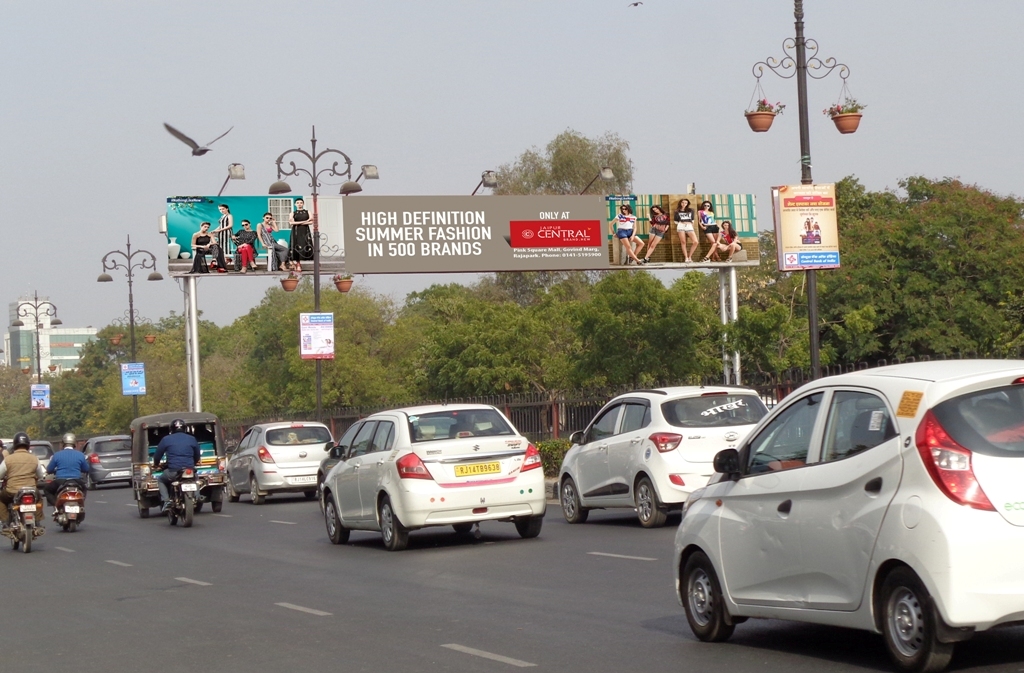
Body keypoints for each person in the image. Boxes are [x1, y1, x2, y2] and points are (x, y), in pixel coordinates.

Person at [152, 419, 201, 512]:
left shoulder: (166, 439)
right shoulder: (192, 439)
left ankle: (166, 500)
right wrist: (192, 464)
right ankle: (197, 496)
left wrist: (156, 464)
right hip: (189, 469)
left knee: (161, 480)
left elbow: (157, 455)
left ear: (171, 429)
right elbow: (197, 455)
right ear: (184, 428)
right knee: (195, 479)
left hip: (173, 471)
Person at [0, 432, 45, 527]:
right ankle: (37, 521)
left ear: (15, 445)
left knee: (1, 500)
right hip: (31, 490)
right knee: (39, 499)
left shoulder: (8, 459)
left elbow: (0, 474)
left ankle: (4, 522)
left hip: (12, 491)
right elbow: (40, 475)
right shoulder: (34, 459)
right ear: (28, 445)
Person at [44, 432, 89, 508]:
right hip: (76, 480)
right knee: (84, 489)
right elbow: (86, 469)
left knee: (47, 489)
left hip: (60, 481)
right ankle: (80, 504)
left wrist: (54, 471)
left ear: (63, 443)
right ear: (74, 443)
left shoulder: (57, 455)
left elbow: (49, 469)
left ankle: (56, 505)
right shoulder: (80, 455)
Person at [288, 198, 314, 272]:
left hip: (305, 231)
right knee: (296, 246)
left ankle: (311, 262)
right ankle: (298, 263)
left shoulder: (308, 211)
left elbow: (311, 222)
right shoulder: (292, 213)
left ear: (303, 204)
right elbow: (291, 223)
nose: (299, 204)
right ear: (295, 204)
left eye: (301, 202)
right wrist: (306, 221)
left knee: (305, 244)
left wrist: (298, 222)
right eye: (298, 203)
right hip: (296, 231)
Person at [674, 198, 698, 263]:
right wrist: (682, 222)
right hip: (680, 226)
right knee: (683, 242)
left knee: (695, 242)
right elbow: (675, 221)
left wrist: (689, 224)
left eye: (686, 203)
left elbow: (692, 220)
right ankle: (686, 258)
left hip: (689, 226)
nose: (684, 204)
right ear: (680, 203)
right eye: (682, 202)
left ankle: (690, 256)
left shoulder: (691, 210)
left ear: (687, 204)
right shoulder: (677, 211)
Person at [215, 204, 235, 269]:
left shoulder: (229, 216)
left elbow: (230, 225)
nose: (221, 210)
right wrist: (214, 230)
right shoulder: (222, 216)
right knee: (220, 245)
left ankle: (226, 259)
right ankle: (221, 260)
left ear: (227, 208)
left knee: (225, 245)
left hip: (226, 232)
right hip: (221, 232)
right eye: (220, 209)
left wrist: (220, 230)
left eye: (223, 209)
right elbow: (221, 225)